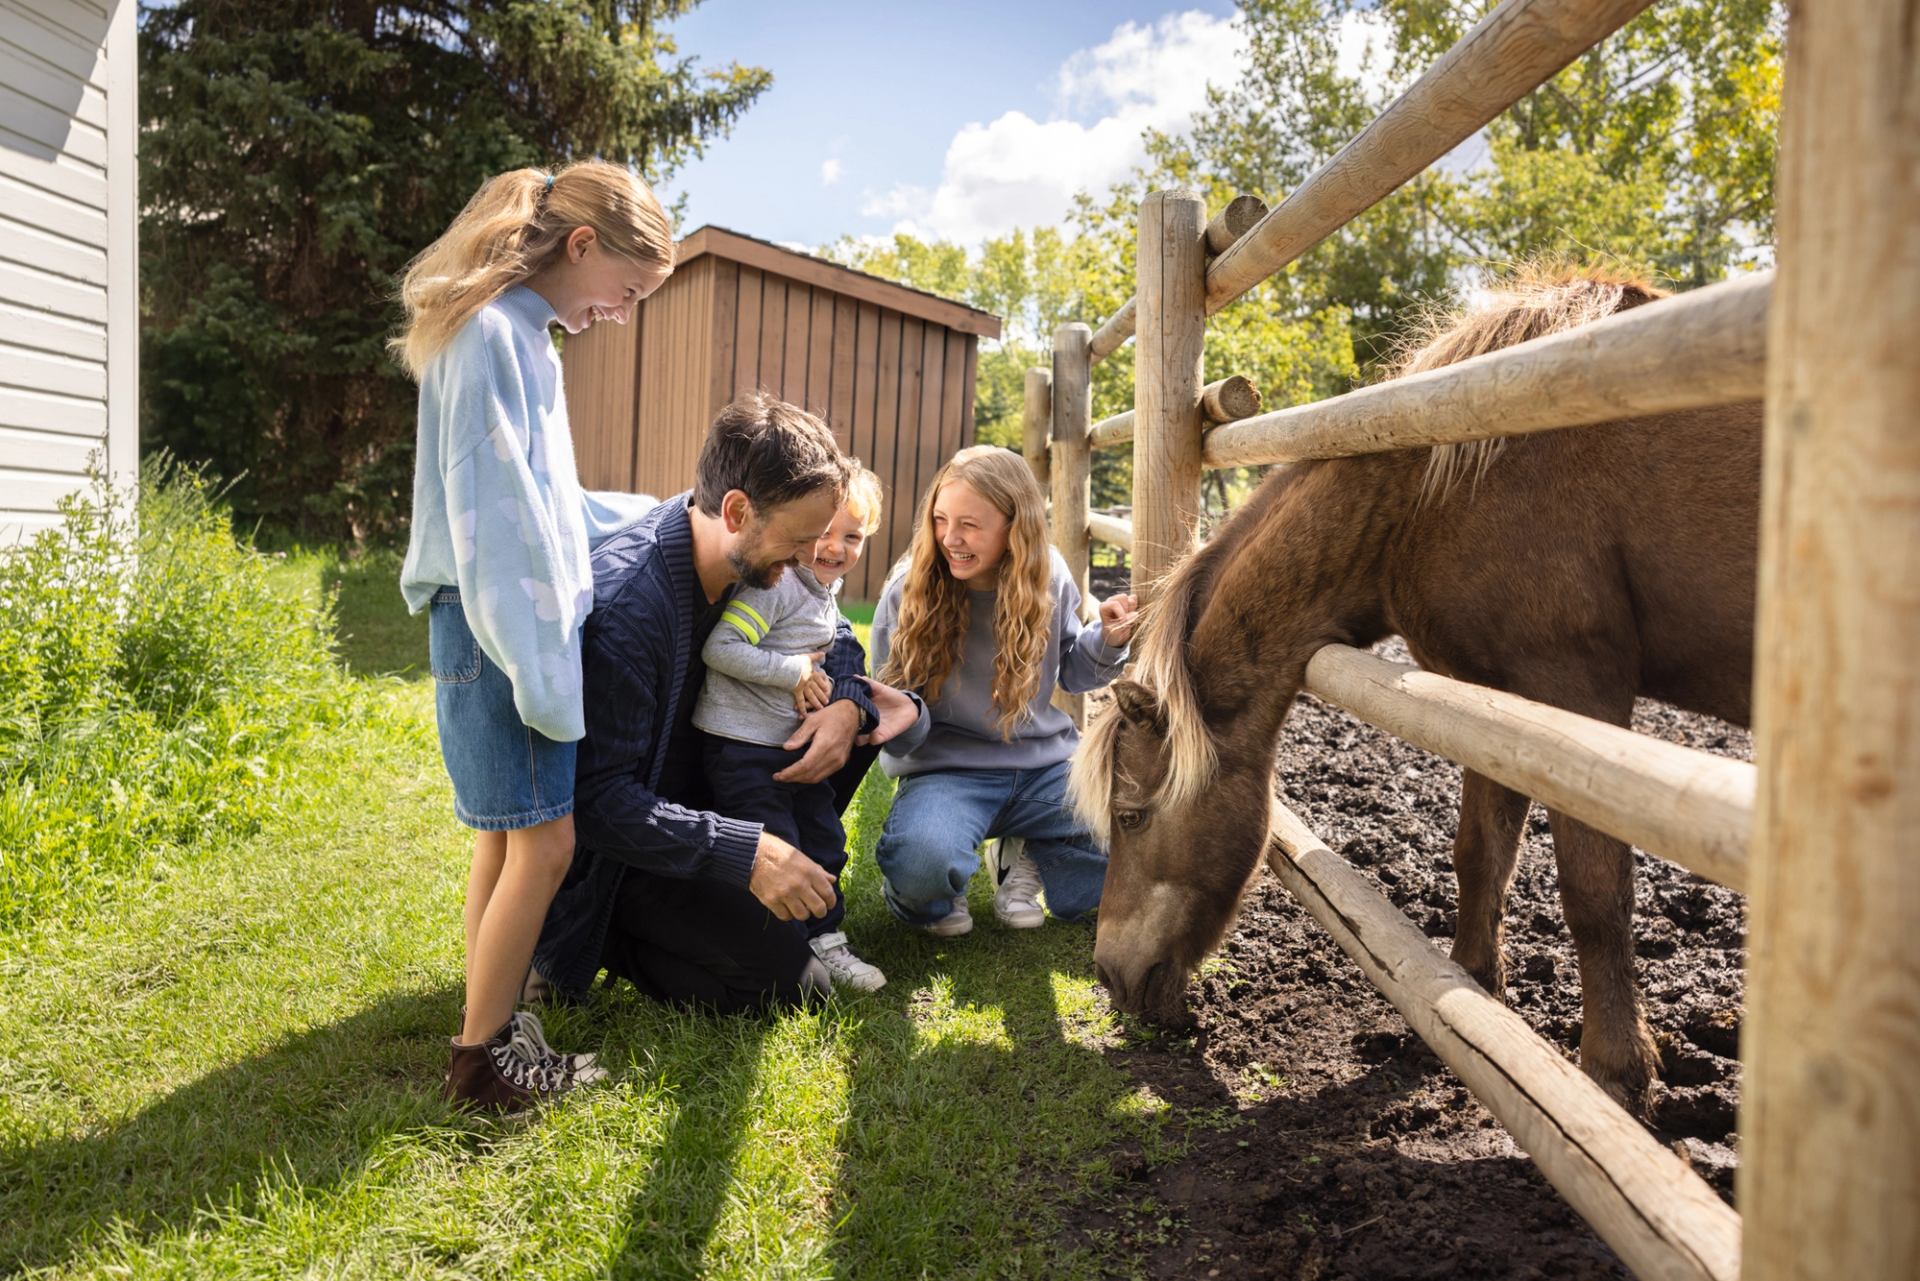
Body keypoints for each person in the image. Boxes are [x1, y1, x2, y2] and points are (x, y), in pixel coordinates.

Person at [393, 160, 674, 1111]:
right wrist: (544, 676)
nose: (624, 314)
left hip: (495, 623)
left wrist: (665, 514)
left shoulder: (522, 338)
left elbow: (557, 505)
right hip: (500, 629)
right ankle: (481, 1064)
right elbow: (500, 524)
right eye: (628, 291)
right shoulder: (491, 341)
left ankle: (495, 1023)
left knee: (504, 843)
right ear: (583, 246)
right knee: (544, 847)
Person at [531, 394, 921, 1012]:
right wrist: (746, 852)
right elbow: (599, 802)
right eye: (798, 542)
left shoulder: (753, 557)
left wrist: (846, 704)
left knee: (857, 725)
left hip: (719, 795)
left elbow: (832, 629)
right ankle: (595, 939)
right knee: (790, 987)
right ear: (738, 511)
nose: (806, 562)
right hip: (634, 850)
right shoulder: (631, 611)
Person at [872, 446, 1140, 936]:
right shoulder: (907, 589)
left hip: (1044, 769)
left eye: (970, 524)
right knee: (922, 875)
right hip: (948, 772)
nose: (950, 538)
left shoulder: (1049, 575)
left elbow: (1074, 673)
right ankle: (932, 875)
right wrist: (905, 720)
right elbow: (893, 716)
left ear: (1014, 526)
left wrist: (1107, 640)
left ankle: (1025, 856)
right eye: (940, 519)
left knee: (1132, 853)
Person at [694, 466, 890, 991]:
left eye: (852, 537)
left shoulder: (820, 591)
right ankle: (785, 947)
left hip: (784, 745)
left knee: (823, 838)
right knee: (777, 847)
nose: (836, 547)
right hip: (743, 749)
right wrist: (795, 672)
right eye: (825, 533)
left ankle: (827, 942)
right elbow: (722, 649)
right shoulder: (776, 588)